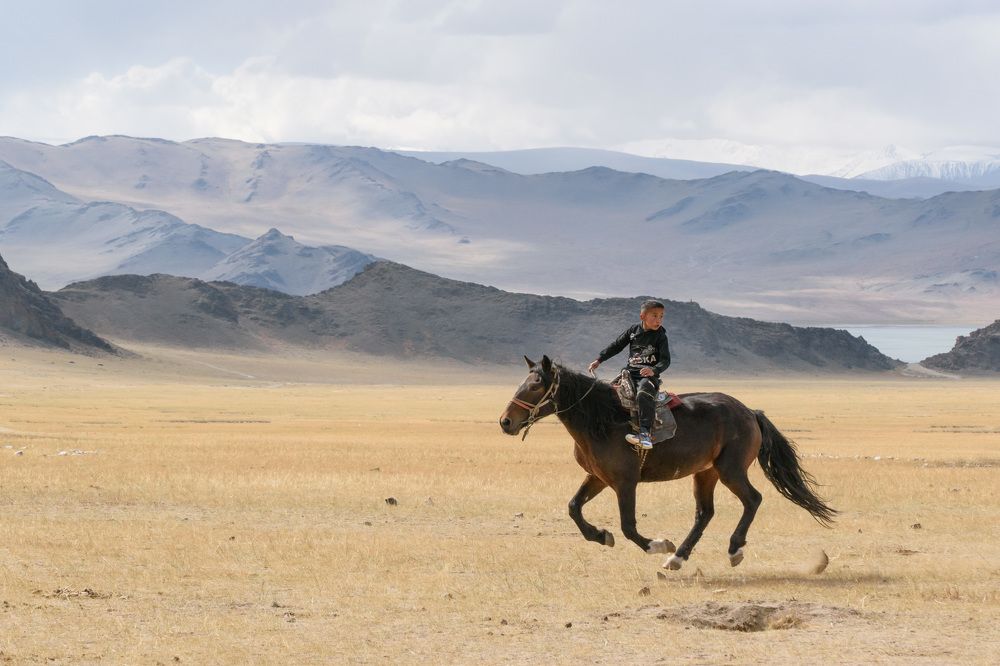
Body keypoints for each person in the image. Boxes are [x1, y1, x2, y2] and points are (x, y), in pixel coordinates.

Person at [588, 300, 671, 450]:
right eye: (654, 316)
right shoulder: (633, 331)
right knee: (606, 393)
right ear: (642, 316)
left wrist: (654, 371)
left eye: (661, 316)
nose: (659, 320)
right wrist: (599, 359)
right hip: (628, 374)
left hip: (647, 377)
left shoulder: (660, 336)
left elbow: (666, 360)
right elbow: (616, 345)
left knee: (643, 395)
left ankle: (645, 435)